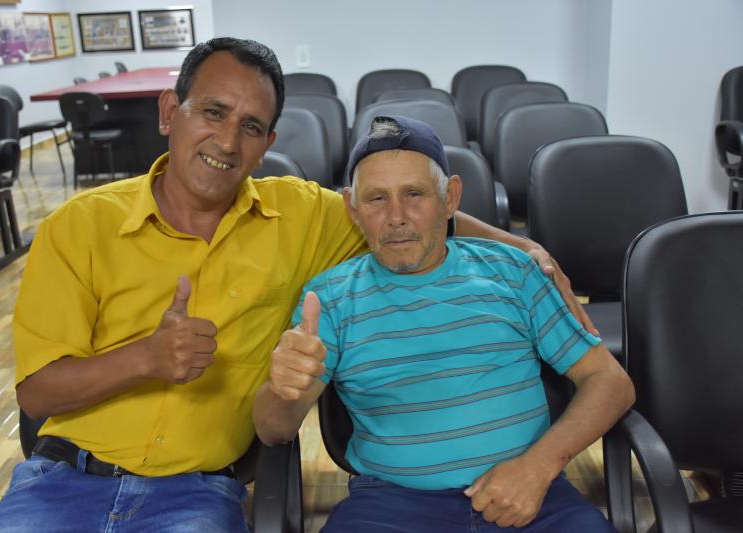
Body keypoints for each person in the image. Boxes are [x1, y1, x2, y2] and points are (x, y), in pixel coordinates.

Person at [0, 38, 593, 532]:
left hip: (196, 493)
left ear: (269, 144)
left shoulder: (301, 214)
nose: (228, 141)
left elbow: (413, 213)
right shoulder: (78, 225)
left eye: (251, 126)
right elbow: (36, 394)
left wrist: (523, 247)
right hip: (62, 481)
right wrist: (145, 357)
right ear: (170, 112)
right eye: (212, 112)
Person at [254, 115, 635, 532]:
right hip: (389, 508)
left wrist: (538, 467)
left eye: (414, 194)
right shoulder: (327, 299)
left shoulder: (514, 272)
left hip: (532, 495)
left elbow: (610, 382)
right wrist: (282, 390)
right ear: (353, 209)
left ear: (450, 197)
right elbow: (275, 431)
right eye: (377, 198)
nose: (396, 217)